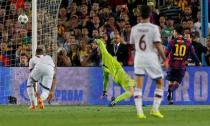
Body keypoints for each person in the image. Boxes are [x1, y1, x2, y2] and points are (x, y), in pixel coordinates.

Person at [129, 5, 168, 119]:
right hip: (150, 57)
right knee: (160, 82)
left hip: (139, 57)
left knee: (139, 84)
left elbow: (132, 44)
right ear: (150, 15)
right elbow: (158, 44)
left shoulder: (134, 28)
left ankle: (140, 112)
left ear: (140, 15)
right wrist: (165, 59)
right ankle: (155, 109)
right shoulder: (154, 28)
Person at [165, 25, 201, 105]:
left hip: (172, 65)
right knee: (177, 83)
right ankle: (171, 95)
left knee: (170, 82)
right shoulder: (188, 42)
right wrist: (198, 62)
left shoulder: (172, 42)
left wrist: (163, 60)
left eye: (174, 31)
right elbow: (193, 53)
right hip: (181, 66)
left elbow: (166, 53)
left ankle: (170, 96)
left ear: (176, 32)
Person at [94, 39, 135, 107]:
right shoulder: (105, 54)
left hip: (116, 78)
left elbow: (105, 80)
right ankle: (115, 101)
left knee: (133, 89)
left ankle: (139, 104)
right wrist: (96, 40)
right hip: (120, 73)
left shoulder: (103, 66)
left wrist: (104, 91)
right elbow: (100, 42)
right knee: (131, 91)